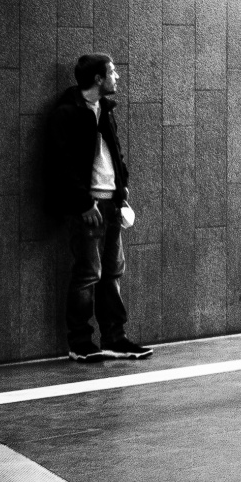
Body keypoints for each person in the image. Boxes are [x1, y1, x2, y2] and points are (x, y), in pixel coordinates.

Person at [53, 53, 154, 362]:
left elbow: (115, 155)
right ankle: (80, 342)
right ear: (98, 78)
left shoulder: (105, 110)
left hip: (111, 203)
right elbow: (63, 164)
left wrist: (122, 189)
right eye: (112, 72)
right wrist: (84, 203)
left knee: (112, 273)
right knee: (88, 274)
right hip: (89, 206)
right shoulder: (68, 112)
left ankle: (114, 338)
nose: (117, 76)